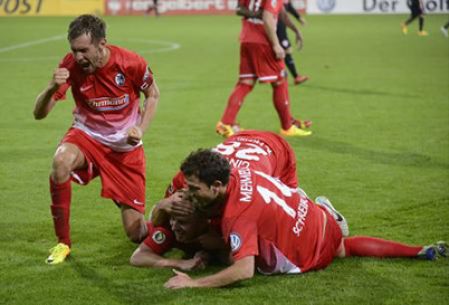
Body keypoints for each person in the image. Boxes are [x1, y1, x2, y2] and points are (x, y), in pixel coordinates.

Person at [163, 150, 447, 289]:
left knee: (221, 249)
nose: (188, 191)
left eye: (194, 188)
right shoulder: (235, 170)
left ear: (216, 185)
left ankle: (324, 212)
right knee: (343, 246)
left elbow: (243, 271)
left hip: (308, 257)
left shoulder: (238, 214)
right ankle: (418, 250)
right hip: (323, 228)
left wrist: (193, 283)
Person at [33, 14, 160, 264]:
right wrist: (50, 87)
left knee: (136, 233)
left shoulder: (130, 63)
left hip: (124, 148)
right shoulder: (70, 65)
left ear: (102, 44)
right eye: (74, 50)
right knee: (61, 162)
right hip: (87, 138)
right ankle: (63, 243)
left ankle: (161, 215)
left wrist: (141, 129)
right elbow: (40, 114)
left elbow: (153, 95)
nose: (78, 57)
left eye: (84, 50)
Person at [130, 130, 300, 267]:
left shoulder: (237, 206)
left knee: (290, 221)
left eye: (181, 222)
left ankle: (318, 209)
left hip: (276, 149)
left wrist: (222, 245)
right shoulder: (186, 180)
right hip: (238, 141)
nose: (174, 226)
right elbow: (161, 221)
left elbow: (244, 261)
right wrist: (161, 206)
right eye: (175, 219)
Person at [215, 0, 312, 138]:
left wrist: (295, 30)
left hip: (247, 39)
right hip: (263, 41)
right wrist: (276, 44)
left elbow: (281, 12)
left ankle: (225, 123)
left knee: (245, 83)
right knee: (280, 80)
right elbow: (267, 17)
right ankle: (287, 127)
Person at [277, 0, 309, 86]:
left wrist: (299, 17)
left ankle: (288, 75)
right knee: (286, 50)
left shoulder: (285, 2)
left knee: (284, 51)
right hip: (278, 27)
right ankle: (293, 76)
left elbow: (289, 7)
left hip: (281, 26)